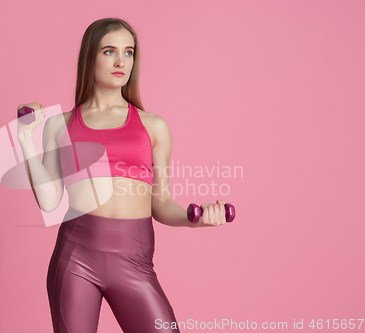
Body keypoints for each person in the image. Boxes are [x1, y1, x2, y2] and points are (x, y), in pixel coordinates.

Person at [17, 17, 227, 333]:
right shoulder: (58, 125)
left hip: (134, 263)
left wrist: (193, 217)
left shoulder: (153, 126)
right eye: (109, 51)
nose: (121, 61)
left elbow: (161, 203)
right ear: (90, 57)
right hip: (75, 258)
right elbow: (49, 202)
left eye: (128, 52)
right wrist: (24, 139)